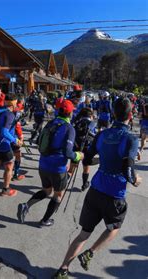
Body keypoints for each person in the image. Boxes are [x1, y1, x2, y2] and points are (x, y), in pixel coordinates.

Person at [53, 98, 142, 279]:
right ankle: (90, 252)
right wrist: (135, 180)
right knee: (114, 227)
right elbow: (127, 169)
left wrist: (103, 160)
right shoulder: (131, 139)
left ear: (112, 113)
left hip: (95, 190)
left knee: (83, 234)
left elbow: (87, 160)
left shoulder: (102, 134)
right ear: (131, 115)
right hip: (114, 195)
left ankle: (62, 269)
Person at [17, 100, 83, 227]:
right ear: (70, 113)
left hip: (43, 165)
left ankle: (26, 205)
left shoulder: (50, 123)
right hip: (58, 168)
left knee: (47, 191)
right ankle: (45, 220)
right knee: (58, 195)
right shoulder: (69, 128)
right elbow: (68, 153)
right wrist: (79, 155)